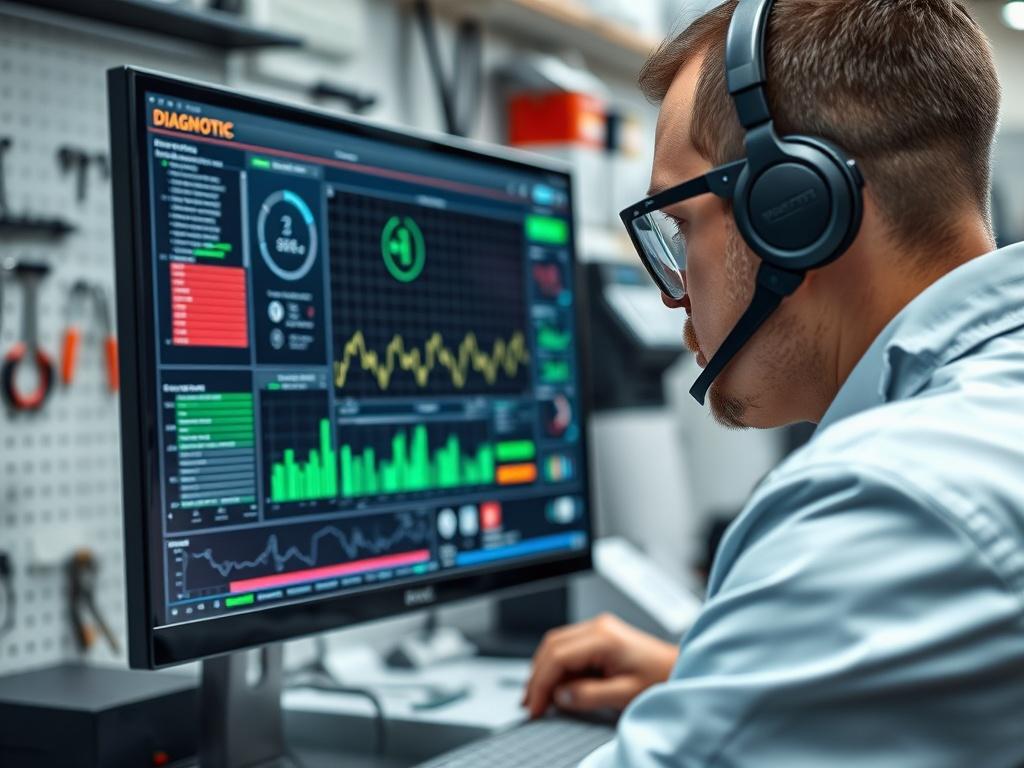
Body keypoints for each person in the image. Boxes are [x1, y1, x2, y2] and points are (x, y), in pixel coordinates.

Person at [522, 1, 1024, 765]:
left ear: (795, 210)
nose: (673, 294)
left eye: (681, 226)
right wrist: (728, 679)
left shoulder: (893, 499)